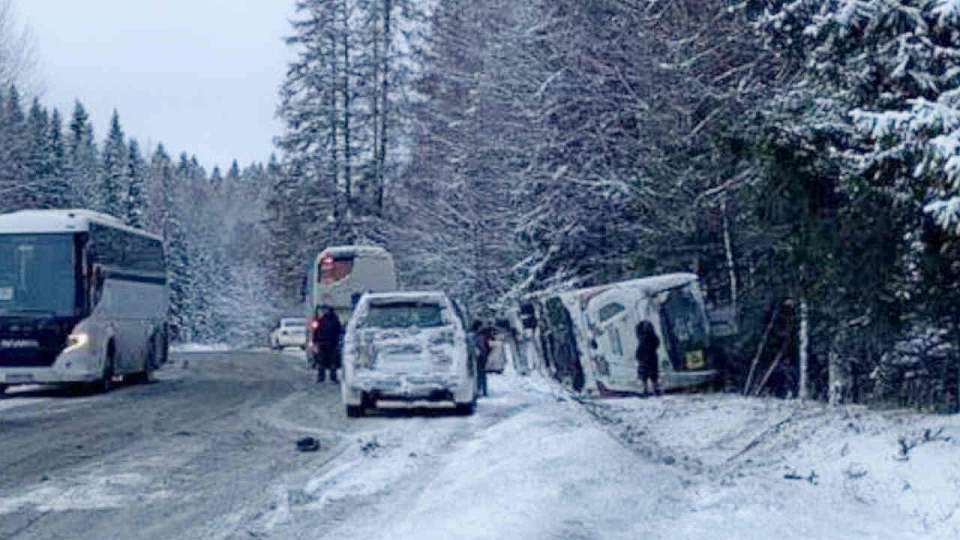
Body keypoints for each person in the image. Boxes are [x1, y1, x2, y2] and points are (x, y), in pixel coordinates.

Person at [312, 306, 343, 383]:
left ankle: (325, 377)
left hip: (329, 344)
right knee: (326, 362)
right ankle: (327, 377)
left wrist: (315, 341)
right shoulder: (326, 320)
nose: (326, 312)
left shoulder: (325, 320)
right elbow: (316, 331)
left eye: (327, 310)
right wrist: (315, 341)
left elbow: (316, 331)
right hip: (327, 344)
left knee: (327, 362)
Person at [635, 320, 661, 396]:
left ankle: (648, 390)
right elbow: (657, 344)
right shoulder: (650, 337)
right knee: (650, 376)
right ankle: (652, 390)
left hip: (647, 359)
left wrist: (639, 357)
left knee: (649, 376)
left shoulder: (644, 338)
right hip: (649, 358)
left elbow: (639, 350)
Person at [471, 321, 492, 397]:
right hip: (482, 356)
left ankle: (481, 390)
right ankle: (483, 390)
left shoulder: (477, 335)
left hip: (480, 356)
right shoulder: (480, 335)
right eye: (481, 326)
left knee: (480, 373)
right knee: (482, 374)